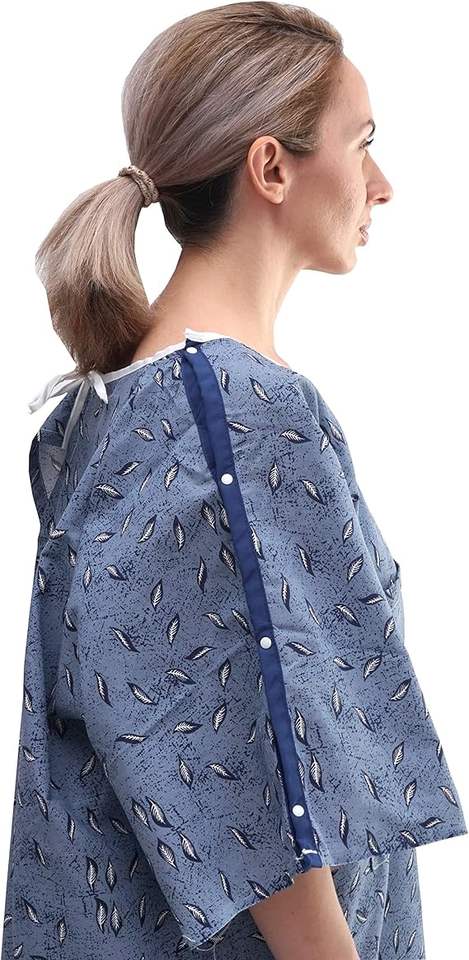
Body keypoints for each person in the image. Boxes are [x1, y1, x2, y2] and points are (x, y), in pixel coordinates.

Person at [1, 4, 466, 959]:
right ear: (271, 168)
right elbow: (251, 770)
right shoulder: (235, 412)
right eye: (362, 142)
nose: (382, 185)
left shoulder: (99, 413)